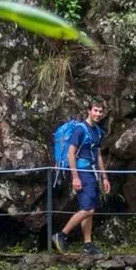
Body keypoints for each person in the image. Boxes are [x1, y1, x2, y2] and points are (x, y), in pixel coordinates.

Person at [53, 99, 110, 255]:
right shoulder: (80, 129)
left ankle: (87, 244)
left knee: (89, 208)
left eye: (100, 111)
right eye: (95, 110)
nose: (98, 114)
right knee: (88, 209)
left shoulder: (98, 131)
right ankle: (62, 234)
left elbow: (98, 156)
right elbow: (71, 153)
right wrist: (75, 177)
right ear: (89, 111)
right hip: (82, 172)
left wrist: (104, 177)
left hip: (92, 173)